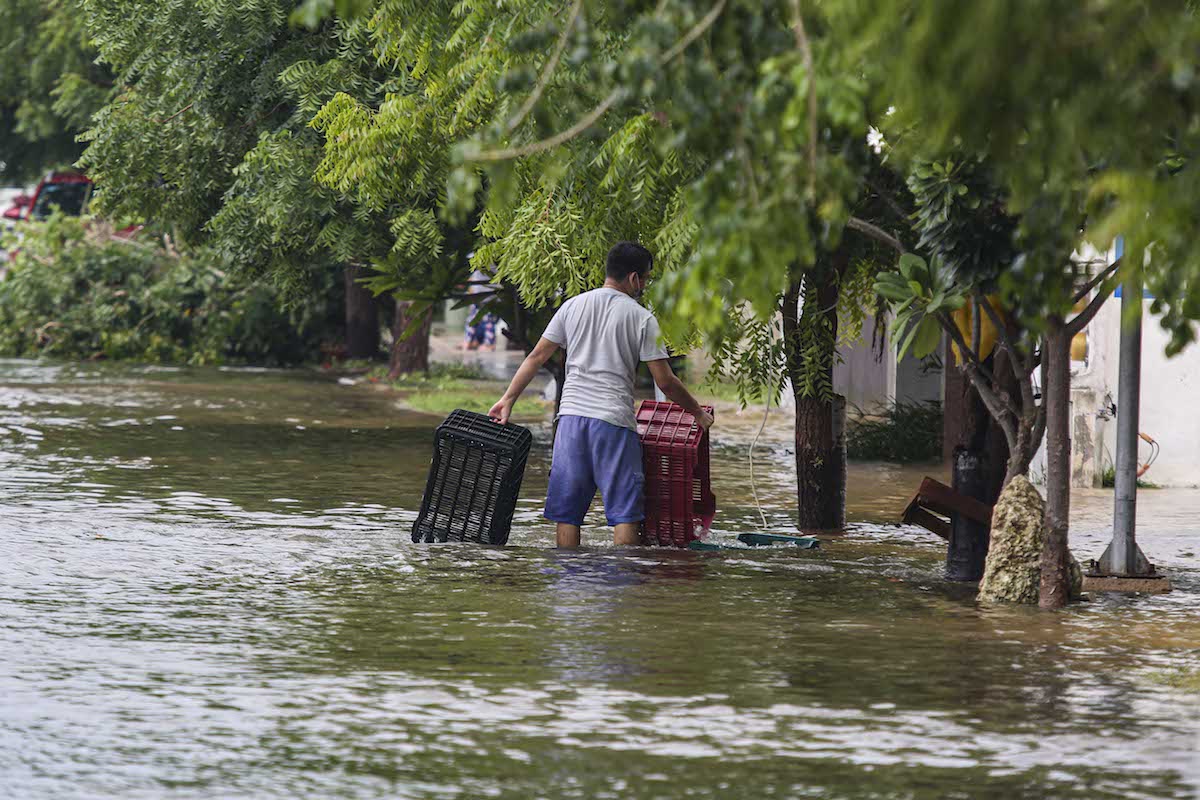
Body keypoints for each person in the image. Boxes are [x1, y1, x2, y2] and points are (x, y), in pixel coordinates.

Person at [488, 241, 713, 547]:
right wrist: (697, 412)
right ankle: (622, 586)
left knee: (567, 513)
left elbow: (536, 357)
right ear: (634, 278)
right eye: (645, 279)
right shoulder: (642, 318)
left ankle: (567, 589)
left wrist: (508, 399)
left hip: (570, 421)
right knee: (625, 514)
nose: (644, 285)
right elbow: (666, 382)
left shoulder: (572, 306)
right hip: (613, 423)